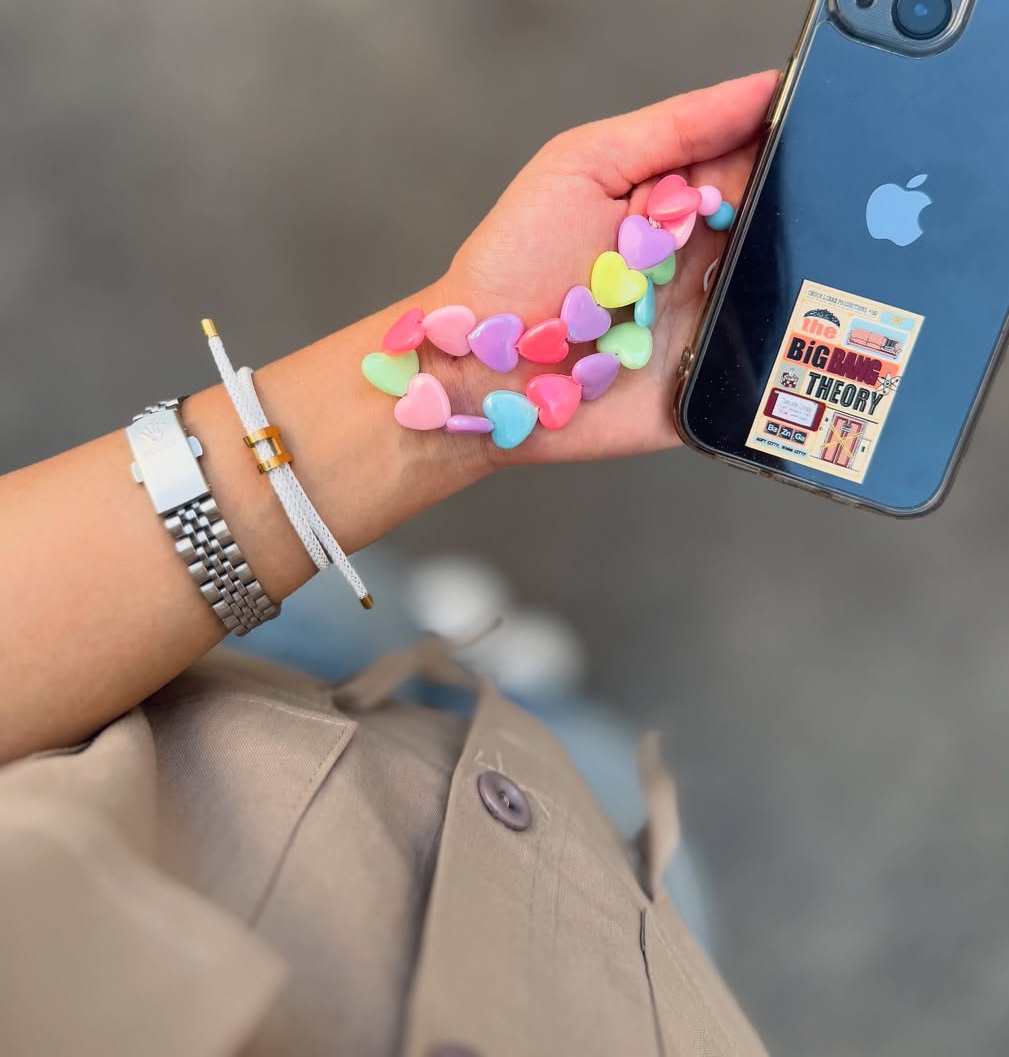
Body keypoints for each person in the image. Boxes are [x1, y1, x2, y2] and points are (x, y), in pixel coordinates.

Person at [0, 71, 776, 1057]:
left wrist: (465, 385)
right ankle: (495, 672)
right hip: (599, 957)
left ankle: (467, 656)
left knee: (350, 623)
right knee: (602, 778)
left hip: (163, 683)